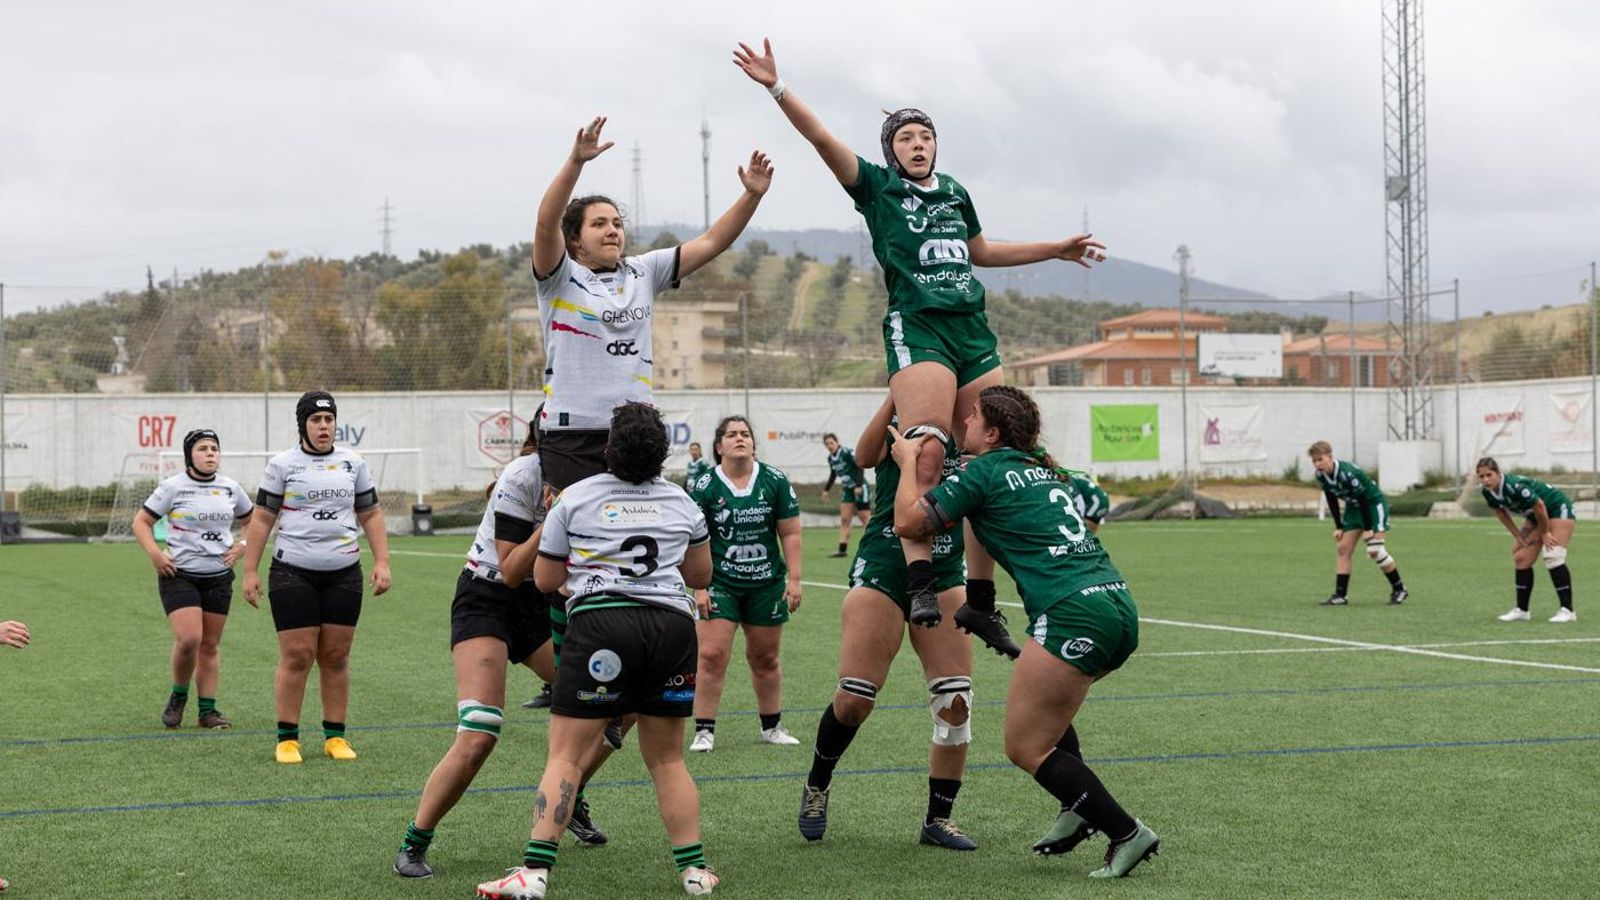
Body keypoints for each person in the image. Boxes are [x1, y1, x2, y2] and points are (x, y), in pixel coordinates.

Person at [734, 38, 1106, 635]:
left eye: (925, 136)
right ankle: (921, 580)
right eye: (905, 138)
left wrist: (1055, 249)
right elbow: (823, 141)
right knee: (928, 450)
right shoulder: (878, 189)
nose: (917, 144)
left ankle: (981, 599)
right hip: (921, 327)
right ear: (891, 150)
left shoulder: (956, 192)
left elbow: (981, 251)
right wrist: (778, 87)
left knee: (991, 457)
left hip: (973, 331)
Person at [892, 385, 1159, 878]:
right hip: (1117, 603)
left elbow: (910, 523)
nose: (963, 424)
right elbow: (981, 521)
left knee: (1025, 746)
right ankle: (1078, 808)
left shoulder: (987, 471)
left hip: (1072, 613)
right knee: (1048, 713)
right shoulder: (1035, 467)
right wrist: (980, 601)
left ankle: (1126, 833)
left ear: (991, 432)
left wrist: (907, 460)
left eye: (970, 417)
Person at [476, 403, 718, 899]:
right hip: (672, 628)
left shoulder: (576, 497)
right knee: (668, 760)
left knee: (565, 755)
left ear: (609, 448)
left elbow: (545, 580)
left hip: (603, 625)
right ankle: (694, 872)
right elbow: (700, 576)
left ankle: (534, 874)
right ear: (661, 452)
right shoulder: (683, 502)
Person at [395, 424, 608, 881]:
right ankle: (415, 840)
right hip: (487, 598)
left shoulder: (596, 478)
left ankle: (570, 795)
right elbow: (511, 570)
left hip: (545, 601)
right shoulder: (522, 474)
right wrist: (553, 519)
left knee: (611, 703)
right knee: (480, 733)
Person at [532, 115, 772, 493]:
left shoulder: (644, 271)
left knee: (637, 527)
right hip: (573, 431)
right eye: (598, 224)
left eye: (616, 223)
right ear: (574, 240)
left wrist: (751, 195)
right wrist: (576, 162)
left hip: (635, 429)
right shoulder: (559, 278)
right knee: (571, 537)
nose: (612, 230)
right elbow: (546, 224)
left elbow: (712, 242)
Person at [799, 395, 994, 852]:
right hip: (885, 566)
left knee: (955, 702)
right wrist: (896, 396)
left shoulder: (973, 425)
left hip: (945, 572)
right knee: (854, 699)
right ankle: (817, 785)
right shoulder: (905, 415)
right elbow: (864, 457)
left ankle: (938, 820)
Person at [241, 391, 391, 764]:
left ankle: (334, 737)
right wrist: (249, 571)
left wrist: (382, 562)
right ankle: (287, 738)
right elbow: (261, 518)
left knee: (336, 655)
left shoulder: (353, 463)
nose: (324, 427)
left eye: (328, 420)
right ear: (302, 425)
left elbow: (370, 514)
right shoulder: (282, 465)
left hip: (344, 573)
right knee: (298, 655)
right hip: (292, 572)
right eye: (316, 420)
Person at [687, 416, 803, 752]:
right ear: (719, 446)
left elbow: (791, 532)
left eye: (746, 434)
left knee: (765, 658)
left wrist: (794, 579)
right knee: (711, 655)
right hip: (719, 581)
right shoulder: (704, 486)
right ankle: (704, 731)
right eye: (732, 434)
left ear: (753, 443)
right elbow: (693, 540)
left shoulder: (775, 480)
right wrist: (698, 586)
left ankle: (772, 727)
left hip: (766, 583)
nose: (740, 439)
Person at [132, 429, 253, 730]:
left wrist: (242, 546)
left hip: (218, 577)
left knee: (210, 645)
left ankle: (207, 711)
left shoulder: (230, 488)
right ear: (190, 456)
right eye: (203, 449)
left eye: (214, 448)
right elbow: (142, 522)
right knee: (189, 639)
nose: (211, 453)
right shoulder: (173, 487)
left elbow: (253, 520)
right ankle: (178, 696)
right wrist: (155, 555)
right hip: (179, 575)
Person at [1477, 458, 1577, 623]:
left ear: (1498, 473)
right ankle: (1522, 611)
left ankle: (1568, 611)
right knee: (1521, 558)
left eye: (1489, 474)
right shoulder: (1487, 492)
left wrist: (1545, 532)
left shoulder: (1514, 486)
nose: (1486, 480)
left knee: (1553, 555)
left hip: (1557, 507)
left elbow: (1539, 505)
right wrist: (1518, 536)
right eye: (1482, 476)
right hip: (1535, 515)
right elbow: (1501, 513)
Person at [1308, 441, 1407, 606]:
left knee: (1375, 550)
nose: (1318, 464)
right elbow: (1331, 498)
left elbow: (1363, 499)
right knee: (1343, 548)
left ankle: (1399, 588)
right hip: (1354, 508)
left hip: (1373, 505)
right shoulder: (1321, 475)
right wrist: (1339, 526)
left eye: (1320, 459)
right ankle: (1340, 595)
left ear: (1330, 457)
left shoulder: (1347, 473)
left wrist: (1368, 529)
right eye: (1314, 461)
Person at [820, 433, 870, 558]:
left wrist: (858, 485)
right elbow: (833, 474)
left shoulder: (847, 453)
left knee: (865, 518)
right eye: (827, 444)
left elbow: (860, 466)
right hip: (847, 490)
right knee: (844, 519)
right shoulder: (831, 458)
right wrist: (826, 490)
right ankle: (842, 550)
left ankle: (875, 545)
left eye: (831, 443)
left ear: (837, 442)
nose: (829, 446)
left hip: (860, 487)